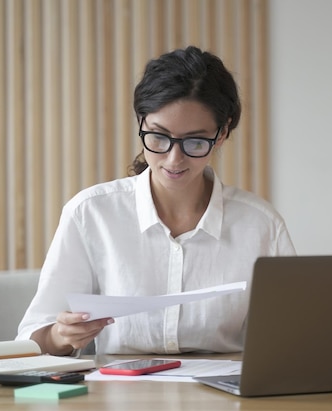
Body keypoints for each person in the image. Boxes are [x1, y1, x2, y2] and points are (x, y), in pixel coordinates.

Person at [16, 46, 296, 356]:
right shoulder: (91, 214)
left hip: (225, 399)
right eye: (159, 137)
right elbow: (31, 341)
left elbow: (292, 340)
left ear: (222, 133)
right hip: (118, 398)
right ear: (141, 122)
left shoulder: (260, 225)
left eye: (195, 141)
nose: (174, 159)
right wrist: (62, 335)